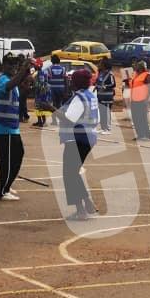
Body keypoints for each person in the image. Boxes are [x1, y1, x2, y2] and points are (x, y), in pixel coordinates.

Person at [59, 68, 99, 220]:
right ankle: (87, 202)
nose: (70, 83)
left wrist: (51, 109)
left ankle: (81, 209)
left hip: (77, 139)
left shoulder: (79, 98)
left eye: (71, 80)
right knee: (73, 172)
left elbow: (69, 119)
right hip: (88, 138)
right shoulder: (90, 95)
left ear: (76, 82)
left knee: (69, 174)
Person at [0, 54, 32, 201]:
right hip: (4, 126)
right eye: (10, 65)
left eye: (15, 65)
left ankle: (6, 186)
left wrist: (26, 77)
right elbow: (9, 87)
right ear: (3, 66)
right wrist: (22, 71)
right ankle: (1, 190)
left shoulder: (12, 81)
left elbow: (17, 91)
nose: (13, 68)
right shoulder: (2, 79)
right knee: (7, 160)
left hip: (11, 126)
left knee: (17, 155)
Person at [128, 61, 150, 140]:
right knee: (135, 119)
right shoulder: (134, 75)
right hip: (134, 100)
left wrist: (147, 99)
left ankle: (147, 136)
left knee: (143, 118)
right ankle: (140, 135)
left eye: (138, 66)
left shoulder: (147, 75)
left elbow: (149, 88)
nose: (136, 67)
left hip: (142, 100)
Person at [96, 59, 116, 134]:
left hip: (107, 96)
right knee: (101, 112)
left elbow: (113, 84)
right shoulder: (101, 73)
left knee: (107, 112)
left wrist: (106, 86)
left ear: (104, 65)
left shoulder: (110, 74)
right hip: (100, 96)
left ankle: (108, 128)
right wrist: (96, 86)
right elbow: (98, 82)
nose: (99, 64)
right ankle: (103, 127)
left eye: (101, 63)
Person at [33, 60, 53, 128]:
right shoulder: (43, 72)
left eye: (35, 65)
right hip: (43, 92)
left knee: (39, 107)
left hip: (41, 92)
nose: (34, 66)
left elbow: (41, 83)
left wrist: (35, 86)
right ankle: (41, 121)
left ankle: (41, 122)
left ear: (38, 66)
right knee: (40, 107)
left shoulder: (40, 73)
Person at [47, 54, 67, 122]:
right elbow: (65, 80)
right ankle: (61, 120)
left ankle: (54, 121)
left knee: (54, 105)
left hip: (53, 89)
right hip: (61, 88)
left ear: (52, 61)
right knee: (60, 104)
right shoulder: (63, 69)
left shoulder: (49, 69)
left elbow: (48, 79)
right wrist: (66, 89)